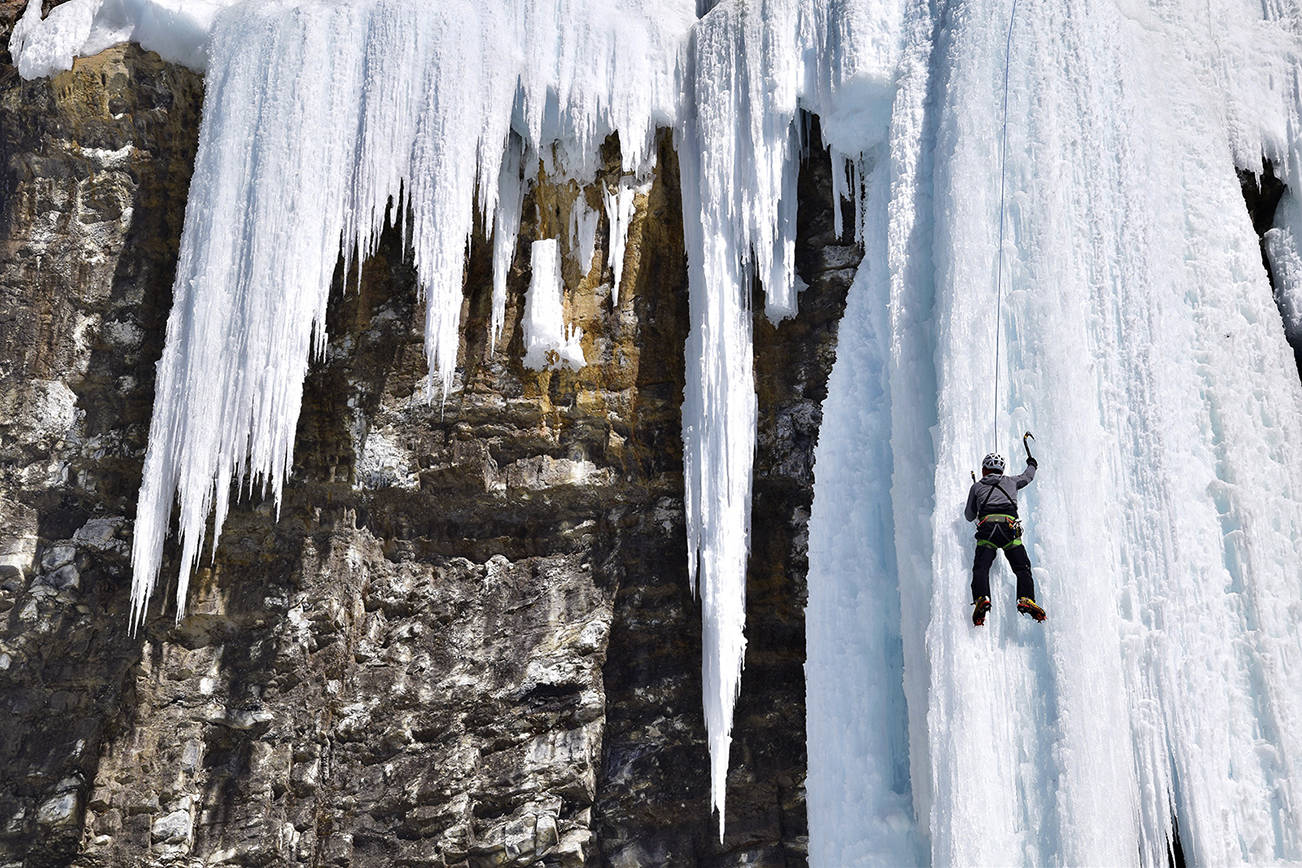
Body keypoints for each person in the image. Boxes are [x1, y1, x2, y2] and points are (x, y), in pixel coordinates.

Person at [964, 452, 1046, 625]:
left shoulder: (977, 487)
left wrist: (979, 502)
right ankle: (1025, 597)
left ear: (984, 470)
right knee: (1022, 569)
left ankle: (981, 597)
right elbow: (1028, 476)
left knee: (981, 568)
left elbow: (969, 516)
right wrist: (1032, 463)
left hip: (988, 531)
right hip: (1009, 530)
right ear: (1001, 470)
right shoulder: (1012, 481)